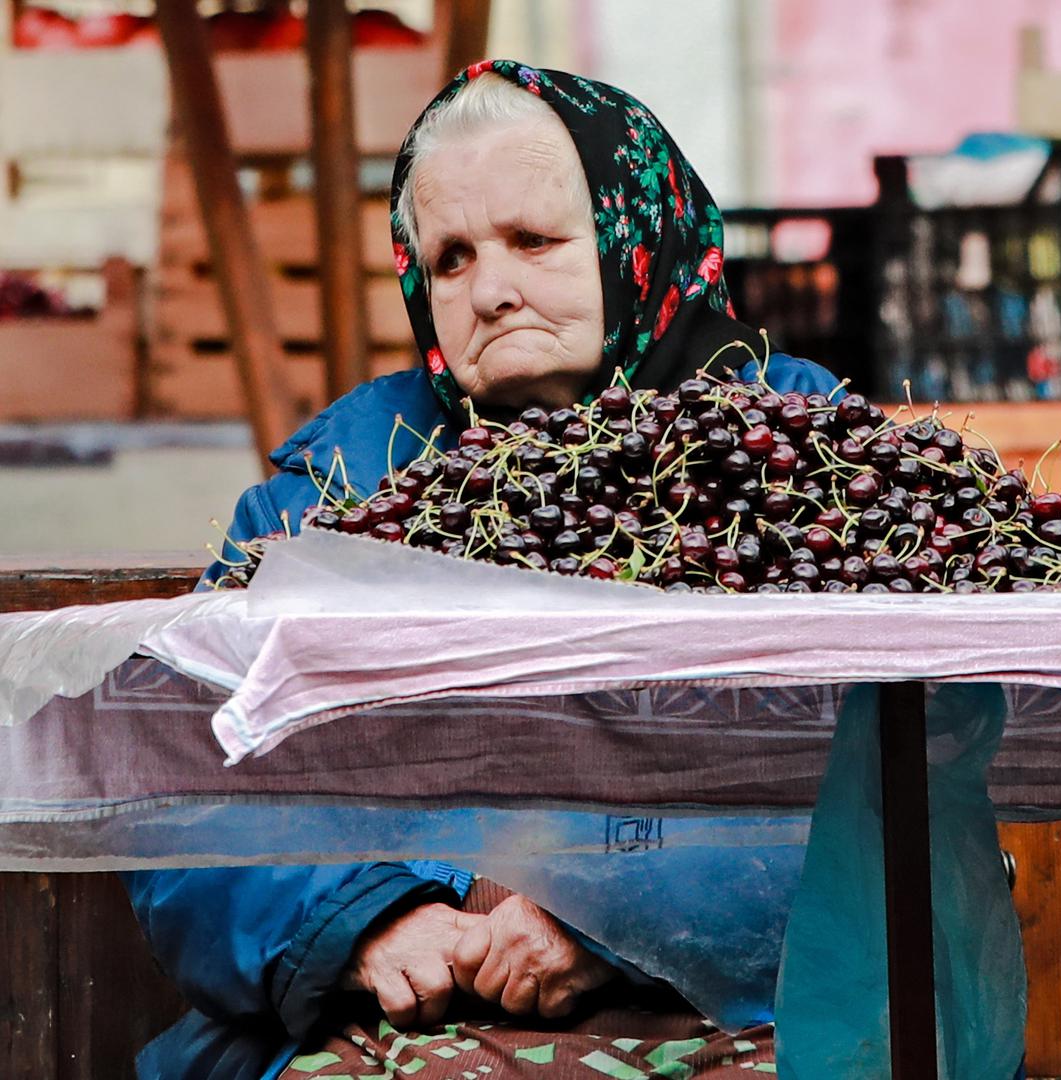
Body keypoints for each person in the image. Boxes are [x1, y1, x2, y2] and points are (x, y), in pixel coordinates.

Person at [122, 61, 844, 1080]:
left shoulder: (805, 465)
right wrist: (370, 923)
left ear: (639, 236)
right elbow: (184, 782)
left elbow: (882, 787)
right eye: (450, 258)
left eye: (535, 242)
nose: (490, 290)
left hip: (746, 1011)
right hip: (388, 1023)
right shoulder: (333, 489)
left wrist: (611, 917)